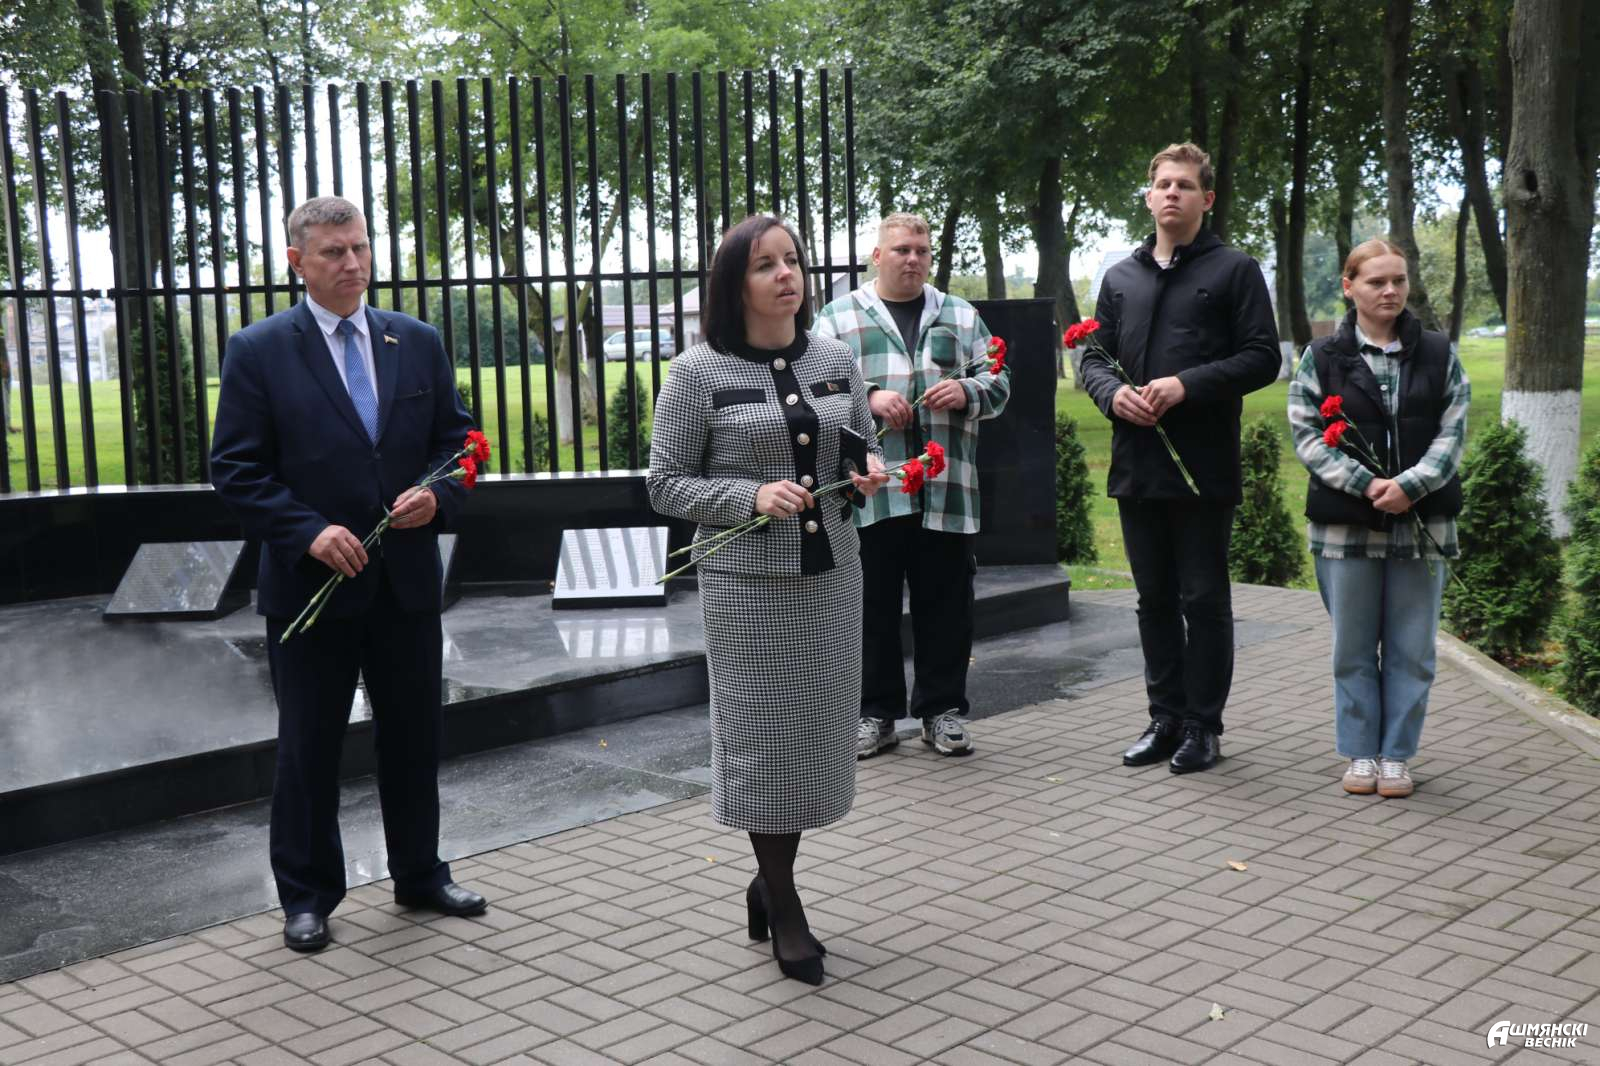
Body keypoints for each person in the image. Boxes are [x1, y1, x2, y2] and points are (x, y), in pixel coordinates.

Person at [210, 195, 487, 952]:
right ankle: (307, 896)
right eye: (334, 252)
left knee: (414, 738)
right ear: (296, 261)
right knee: (309, 748)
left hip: (405, 583)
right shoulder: (259, 350)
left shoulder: (415, 340)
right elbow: (235, 469)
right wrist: (309, 532)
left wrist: (438, 495)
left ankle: (420, 874)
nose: (353, 263)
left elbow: (460, 443)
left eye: (360, 247)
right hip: (311, 587)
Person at [647, 215, 889, 985]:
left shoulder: (834, 358)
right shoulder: (696, 373)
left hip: (832, 578)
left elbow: (858, 445)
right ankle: (785, 906)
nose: (787, 275)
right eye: (765, 266)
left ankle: (766, 882)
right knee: (763, 744)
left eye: (793, 260)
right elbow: (665, 485)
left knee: (811, 740)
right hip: (748, 591)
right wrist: (749, 496)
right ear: (734, 285)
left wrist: (869, 470)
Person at [1079, 143, 1280, 775]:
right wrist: (1112, 396)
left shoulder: (1235, 270)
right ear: (1148, 197)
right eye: (1163, 184)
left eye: (1185, 185)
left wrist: (1185, 385)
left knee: (1203, 599)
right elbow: (1092, 357)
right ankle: (1163, 718)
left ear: (1206, 199)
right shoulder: (1121, 277)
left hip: (1202, 467)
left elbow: (1262, 357)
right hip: (1136, 465)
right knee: (1154, 600)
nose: (1172, 193)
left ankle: (1203, 726)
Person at [814, 212, 1010, 760]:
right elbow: (815, 389)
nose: (913, 259)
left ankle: (941, 712)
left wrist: (968, 392)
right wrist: (869, 395)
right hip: (873, 491)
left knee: (946, 606)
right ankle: (875, 715)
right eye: (901, 250)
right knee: (871, 605)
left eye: (921, 250)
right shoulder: (838, 317)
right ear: (877, 257)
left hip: (947, 491)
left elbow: (999, 382)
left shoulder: (961, 315)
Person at [1287, 239, 1468, 798]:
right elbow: (1307, 435)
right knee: (1353, 649)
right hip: (1345, 529)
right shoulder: (1322, 357)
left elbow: (1454, 430)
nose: (1390, 291)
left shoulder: (1438, 352)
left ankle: (1396, 757)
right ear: (1349, 287)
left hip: (1422, 525)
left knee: (1413, 650)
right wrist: (1368, 486)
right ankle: (1360, 752)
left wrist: (1412, 486)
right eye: (1376, 281)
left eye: (1399, 280)